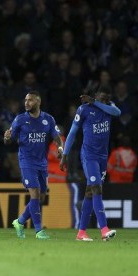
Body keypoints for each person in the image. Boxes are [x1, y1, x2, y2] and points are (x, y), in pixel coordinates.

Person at [60, 87, 121, 241]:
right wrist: (65, 154)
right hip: (89, 156)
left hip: (102, 157)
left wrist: (96, 102)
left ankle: (81, 232)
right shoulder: (84, 109)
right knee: (96, 188)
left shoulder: (109, 108)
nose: (104, 101)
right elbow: (73, 132)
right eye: (101, 98)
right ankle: (104, 229)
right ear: (95, 96)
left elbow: (117, 113)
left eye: (106, 99)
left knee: (89, 192)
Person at [4, 91, 64, 240]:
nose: (26, 103)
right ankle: (38, 231)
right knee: (35, 194)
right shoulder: (20, 120)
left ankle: (20, 221)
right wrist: (6, 138)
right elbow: (9, 140)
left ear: (38, 102)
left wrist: (61, 149)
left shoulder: (48, 119)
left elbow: (57, 138)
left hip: (42, 163)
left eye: (30, 100)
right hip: (26, 161)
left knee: (40, 198)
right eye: (25, 100)